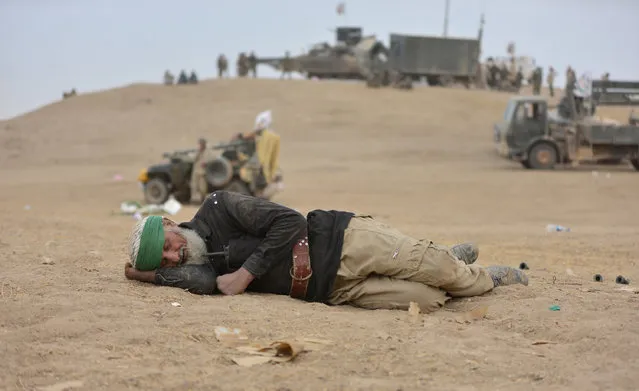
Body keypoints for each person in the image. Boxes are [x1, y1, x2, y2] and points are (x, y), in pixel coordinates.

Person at [124, 191, 529, 313]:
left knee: (444, 272)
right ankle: (445, 262)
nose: (174, 256)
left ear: (170, 223)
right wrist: (141, 273)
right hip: (329, 289)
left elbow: (290, 221)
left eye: (168, 246)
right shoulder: (199, 269)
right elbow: (196, 279)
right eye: (165, 261)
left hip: (340, 240)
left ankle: (480, 275)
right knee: (429, 300)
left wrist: (247, 273)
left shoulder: (220, 207)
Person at [189, 138, 215, 203]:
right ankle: (194, 200)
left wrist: (206, 162)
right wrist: (198, 151)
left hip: (203, 172)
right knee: (194, 186)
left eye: (202, 144)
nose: (201, 145)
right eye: (200, 144)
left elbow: (212, 159)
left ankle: (202, 199)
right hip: (196, 172)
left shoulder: (208, 151)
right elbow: (193, 158)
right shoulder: (197, 151)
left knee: (202, 187)